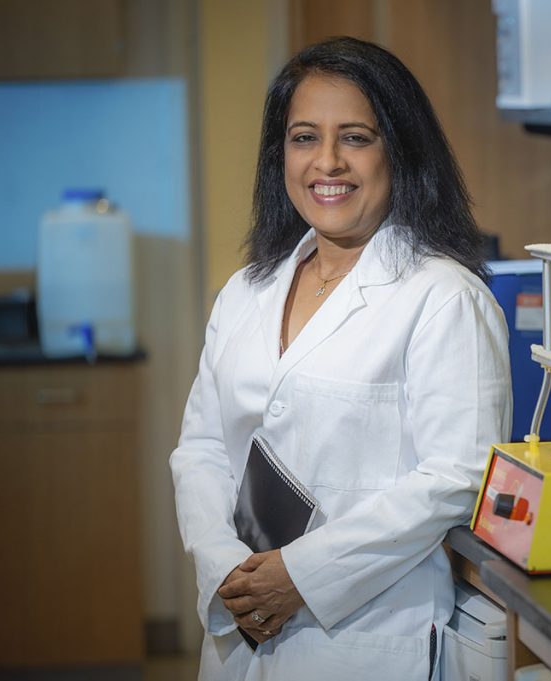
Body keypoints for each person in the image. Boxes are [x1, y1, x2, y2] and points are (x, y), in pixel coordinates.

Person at [170, 36, 512, 680]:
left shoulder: (443, 297)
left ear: (399, 152)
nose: (327, 162)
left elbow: (458, 476)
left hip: (368, 638)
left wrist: (297, 578)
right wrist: (226, 572)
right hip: (240, 635)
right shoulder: (247, 290)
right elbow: (204, 448)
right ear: (280, 155)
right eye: (304, 138)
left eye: (355, 137)